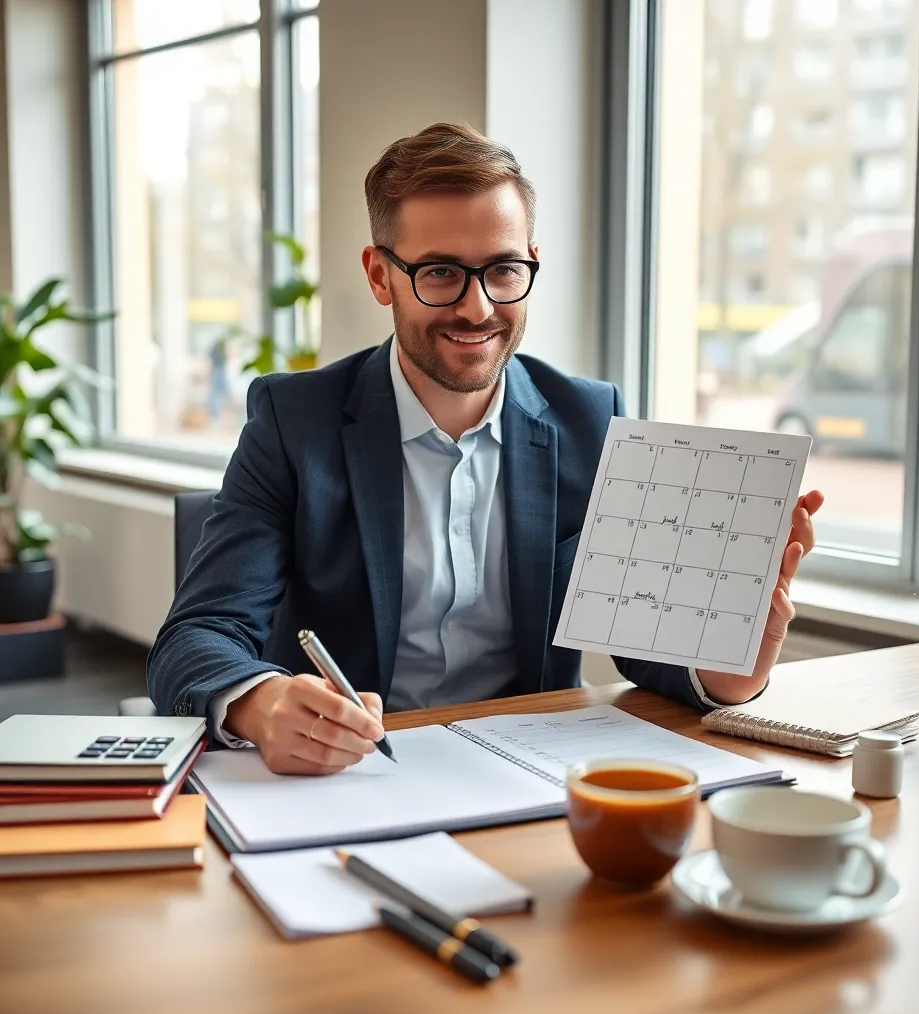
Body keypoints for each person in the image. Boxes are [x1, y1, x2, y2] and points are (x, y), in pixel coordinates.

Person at [147, 123, 824, 776]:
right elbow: (195, 637)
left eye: (502, 270)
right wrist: (264, 704)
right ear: (380, 276)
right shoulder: (294, 422)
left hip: (527, 775)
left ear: (531, 263)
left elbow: (643, 648)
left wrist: (734, 658)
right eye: (440, 272)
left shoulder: (590, 420)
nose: (477, 308)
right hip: (352, 774)